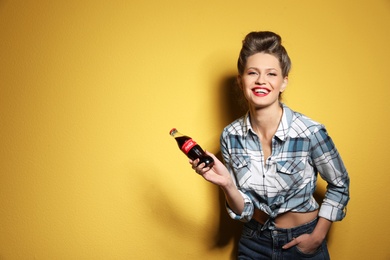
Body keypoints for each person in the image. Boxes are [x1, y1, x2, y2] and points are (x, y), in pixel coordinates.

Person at [190, 31, 350, 259]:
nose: (261, 81)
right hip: (254, 243)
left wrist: (317, 236)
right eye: (252, 73)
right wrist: (226, 184)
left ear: (283, 82)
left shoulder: (309, 131)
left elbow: (340, 184)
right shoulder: (230, 136)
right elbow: (244, 211)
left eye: (271, 74)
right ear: (241, 81)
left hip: (303, 243)